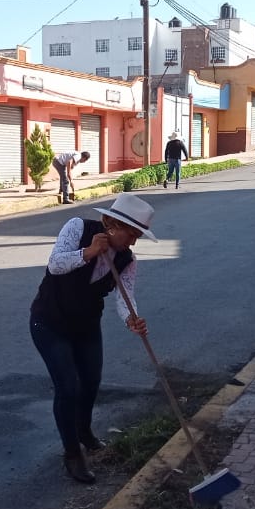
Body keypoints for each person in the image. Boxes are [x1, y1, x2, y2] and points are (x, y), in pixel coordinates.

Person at [29, 193, 156, 484]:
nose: (133, 242)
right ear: (113, 224)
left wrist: (131, 319)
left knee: (91, 381)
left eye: (138, 236)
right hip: (50, 321)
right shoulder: (78, 228)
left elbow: (126, 297)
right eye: (132, 234)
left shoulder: (126, 259)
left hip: (86, 325)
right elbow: (55, 265)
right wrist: (86, 253)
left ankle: (84, 431)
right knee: (68, 387)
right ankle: (72, 453)